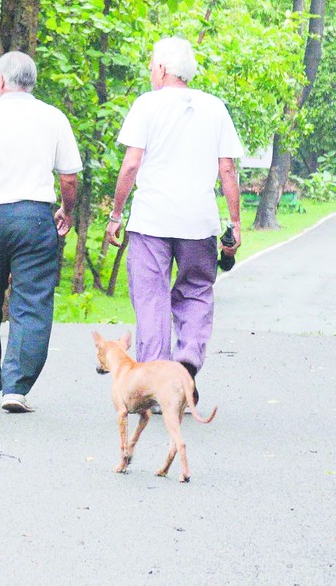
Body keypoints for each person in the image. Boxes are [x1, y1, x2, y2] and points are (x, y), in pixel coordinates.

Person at [104, 37, 243, 404]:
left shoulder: (146, 106)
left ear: (163, 69)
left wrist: (116, 215)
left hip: (151, 222)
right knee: (196, 292)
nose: (151, 71)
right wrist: (235, 223)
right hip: (198, 223)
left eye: (152, 65)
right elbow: (227, 169)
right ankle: (187, 362)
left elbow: (131, 163)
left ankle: (154, 384)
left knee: (151, 300)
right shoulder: (215, 108)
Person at [0, 51, 83, 413]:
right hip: (35, 216)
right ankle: (16, 386)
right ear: (32, 82)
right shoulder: (53, 117)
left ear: (0, 81)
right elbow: (69, 177)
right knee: (32, 301)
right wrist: (67, 212)